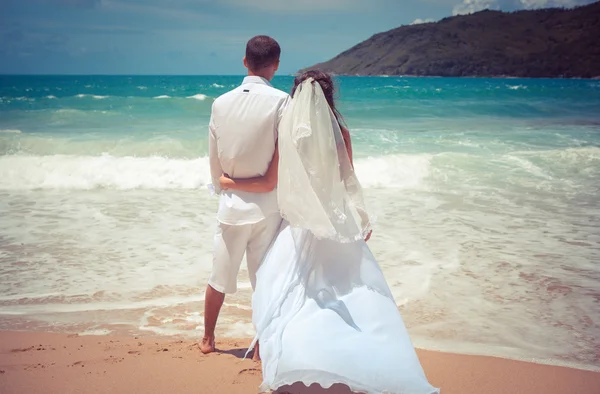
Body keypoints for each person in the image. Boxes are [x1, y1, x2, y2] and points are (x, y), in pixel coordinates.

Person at [218, 70, 439, 393]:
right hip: (335, 222)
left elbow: (275, 183)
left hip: (298, 225)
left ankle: (300, 352)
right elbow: (348, 182)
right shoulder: (342, 134)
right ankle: (360, 352)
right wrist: (359, 219)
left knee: (294, 292)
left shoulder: (288, 133)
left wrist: (229, 182)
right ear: (329, 97)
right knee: (350, 290)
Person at [200, 35, 289, 358]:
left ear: (244, 61)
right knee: (264, 279)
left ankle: (208, 339)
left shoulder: (220, 103)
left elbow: (214, 158)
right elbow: (285, 156)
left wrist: (222, 185)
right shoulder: (282, 101)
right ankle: (263, 345)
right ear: (276, 65)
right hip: (269, 207)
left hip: (232, 206)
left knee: (218, 276)